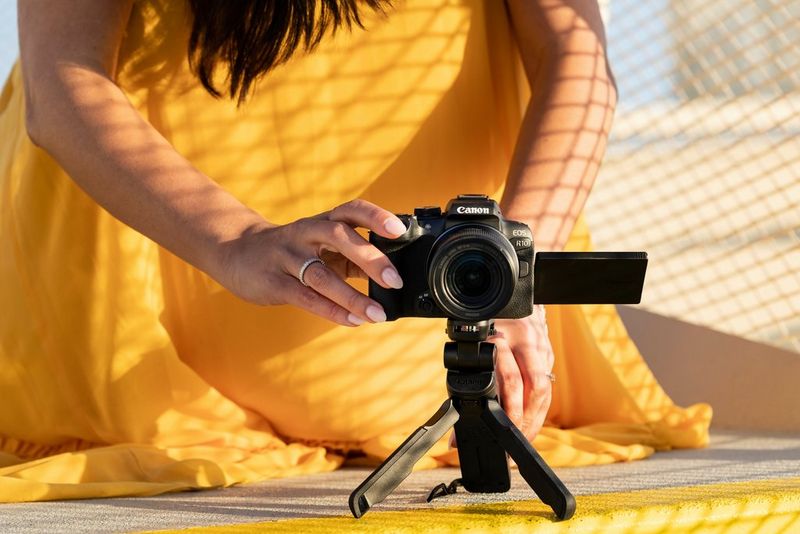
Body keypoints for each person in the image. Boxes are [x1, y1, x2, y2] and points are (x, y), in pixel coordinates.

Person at [0, 0, 711, 502]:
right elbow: (60, 83)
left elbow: (576, 58)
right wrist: (234, 239)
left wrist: (513, 268)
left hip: (444, 376)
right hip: (126, 370)